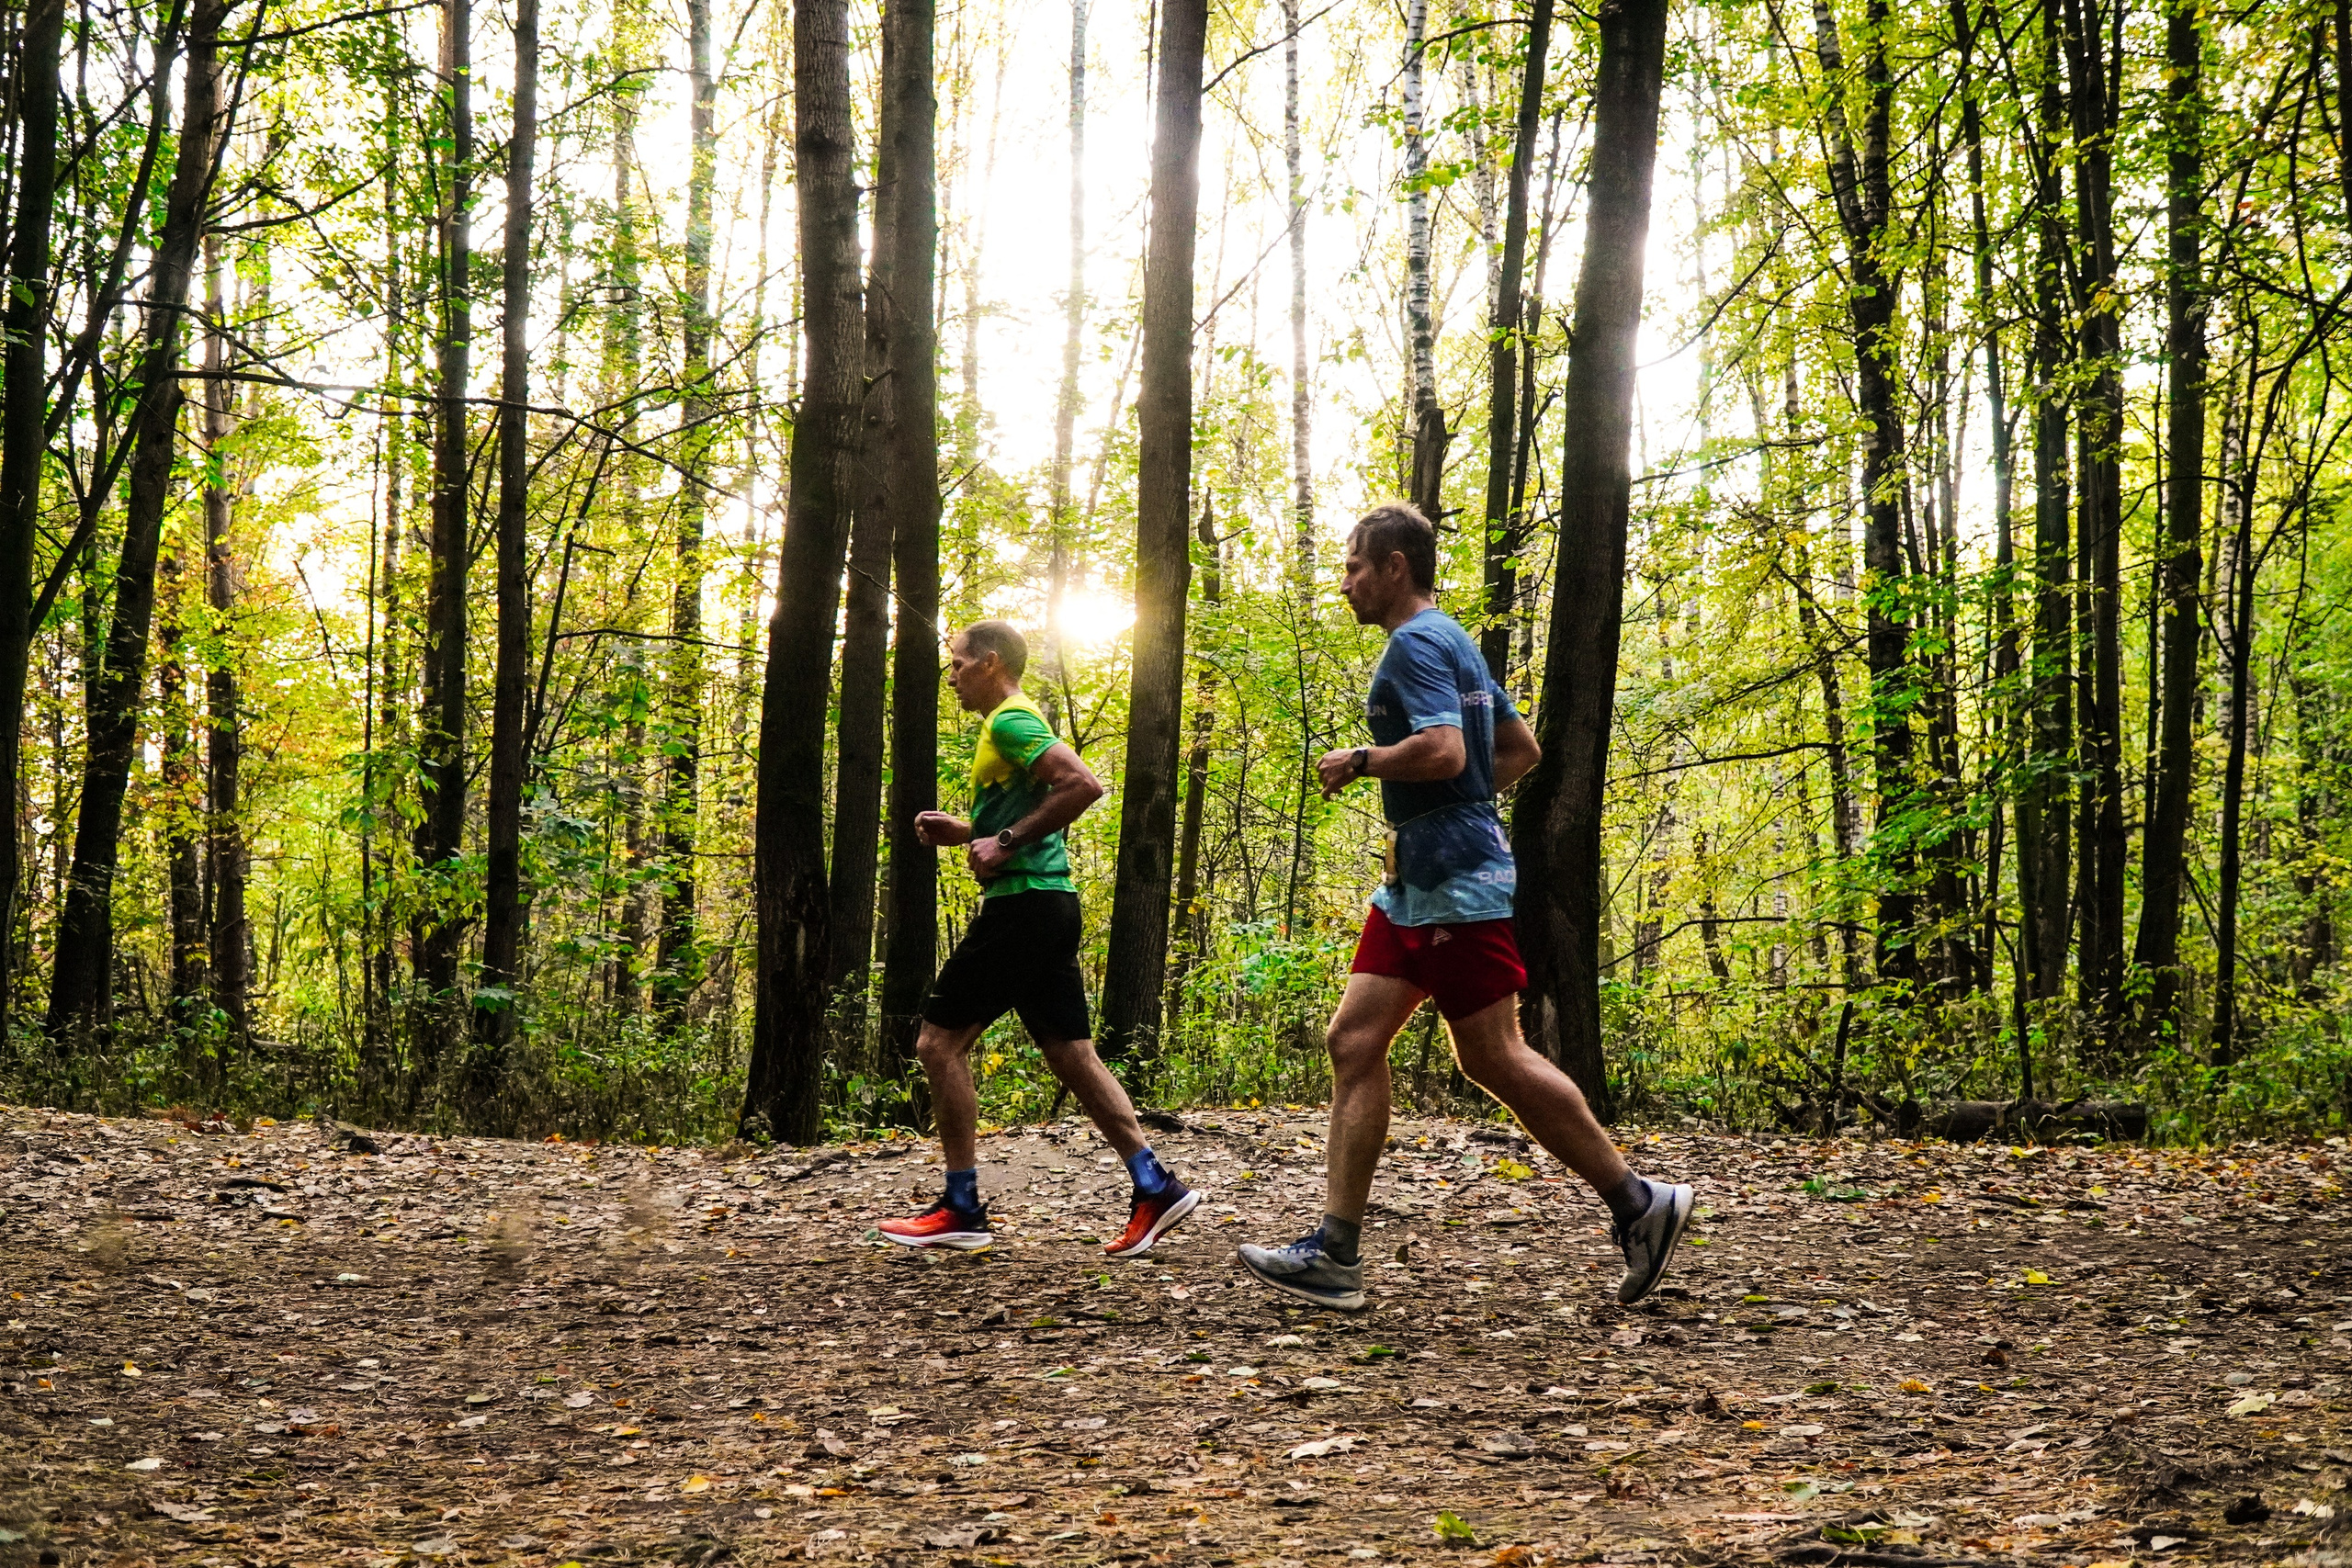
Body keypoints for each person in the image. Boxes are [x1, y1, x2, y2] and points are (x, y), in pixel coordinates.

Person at [1237, 504, 1692, 1312]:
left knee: (1494, 1055)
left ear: (1395, 567)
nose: (1344, 583)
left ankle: (1638, 1202)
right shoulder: (1454, 640)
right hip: (1419, 883)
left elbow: (1447, 751)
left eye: (1354, 566)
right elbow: (1518, 750)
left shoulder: (1415, 644)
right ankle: (1335, 1253)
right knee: (1353, 1039)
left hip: (1452, 882)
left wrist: (1364, 759)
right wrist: (1464, 810)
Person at [877, 619, 1202, 1258]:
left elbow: (1082, 784)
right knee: (1072, 1054)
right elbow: (1029, 812)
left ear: (991, 663)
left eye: (958, 665)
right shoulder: (1007, 724)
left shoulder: (1011, 721)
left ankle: (961, 1206)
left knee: (938, 1044)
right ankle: (1155, 1185)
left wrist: (1003, 842)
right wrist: (970, 831)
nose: (951, 678)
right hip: (1048, 905)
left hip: (1022, 908)